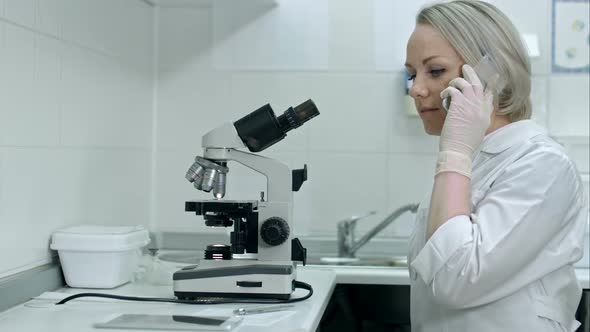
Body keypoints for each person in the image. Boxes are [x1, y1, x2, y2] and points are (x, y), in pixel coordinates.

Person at [404, 1, 588, 331]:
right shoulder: (471, 163)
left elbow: (454, 279)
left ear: (491, 73)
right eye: (411, 74)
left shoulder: (542, 164)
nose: (415, 89)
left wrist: (456, 151)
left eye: (434, 71)